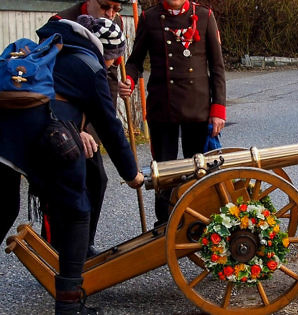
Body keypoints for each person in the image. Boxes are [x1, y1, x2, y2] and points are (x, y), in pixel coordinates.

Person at [37, 16, 140, 314]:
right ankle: (68, 304)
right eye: (114, 57)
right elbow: (111, 127)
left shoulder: (59, 48)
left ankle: (69, 263)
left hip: (21, 137)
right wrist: (133, 174)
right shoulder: (91, 67)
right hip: (45, 138)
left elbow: (57, 95)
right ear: (106, 53)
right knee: (78, 210)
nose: (113, 64)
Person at [120, 0, 226, 227]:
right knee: (164, 169)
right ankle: (165, 221)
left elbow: (217, 66)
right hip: (162, 108)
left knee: (198, 165)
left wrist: (218, 108)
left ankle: (197, 218)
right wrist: (128, 79)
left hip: (197, 108)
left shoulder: (205, 16)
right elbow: (134, 62)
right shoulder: (149, 18)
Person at [48, 0, 129, 256]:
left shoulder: (114, 23)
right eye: (106, 6)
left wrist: (104, 119)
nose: (111, 14)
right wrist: (73, 128)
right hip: (59, 120)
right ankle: (56, 246)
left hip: (91, 115)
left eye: (117, 9)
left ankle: (83, 244)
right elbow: (50, 85)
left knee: (97, 180)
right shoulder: (60, 23)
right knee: (66, 183)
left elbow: (110, 76)